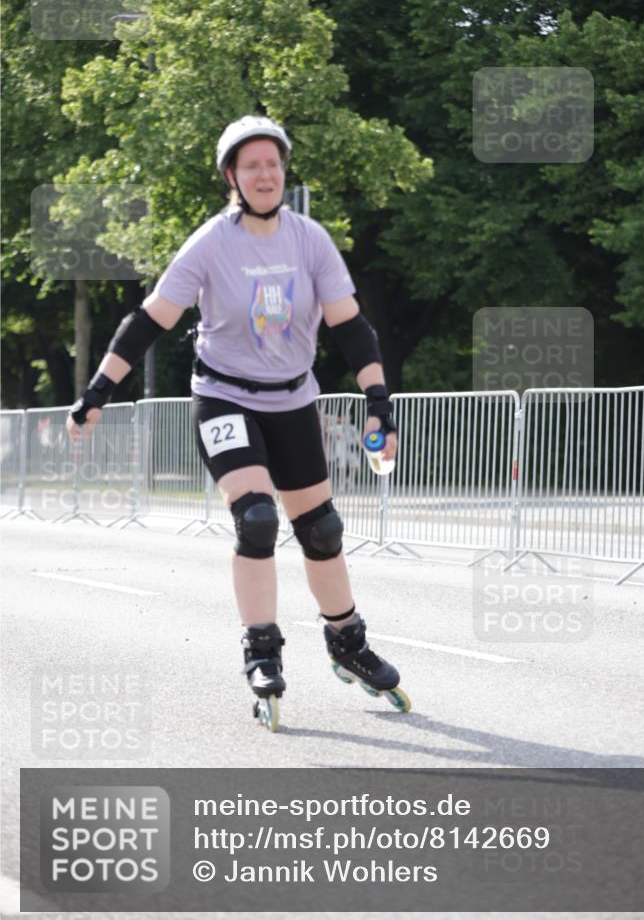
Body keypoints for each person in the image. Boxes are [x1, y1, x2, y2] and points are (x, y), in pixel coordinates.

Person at [67, 114, 410, 731]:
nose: (265, 174)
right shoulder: (211, 242)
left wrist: (379, 401)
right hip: (225, 398)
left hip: (293, 400)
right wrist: (97, 391)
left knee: (322, 529)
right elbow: (149, 320)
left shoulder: (310, 240)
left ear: (284, 172)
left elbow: (351, 327)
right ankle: (262, 653)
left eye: (273, 164)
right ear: (232, 176)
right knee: (256, 519)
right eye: (251, 166)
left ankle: (347, 644)